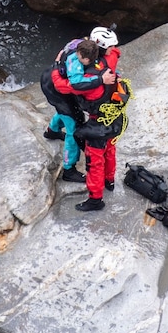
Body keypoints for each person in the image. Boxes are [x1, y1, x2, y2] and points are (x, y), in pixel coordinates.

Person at [51, 26, 122, 211]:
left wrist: (57, 66)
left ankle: (96, 199)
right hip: (114, 116)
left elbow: (64, 86)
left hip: (97, 122)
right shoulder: (111, 59)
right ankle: (110, 181)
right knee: (110, 149)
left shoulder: (90, 78)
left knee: (94, 162)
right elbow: (116, 52)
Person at [41, 39, 102, 183]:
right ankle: (69, 169)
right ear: (84, 58)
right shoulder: (76, 66)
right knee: (73, 127)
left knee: (65, 112)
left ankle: (52, 131)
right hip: (56, 90)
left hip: (47, 77)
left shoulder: (77, 44)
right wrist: (100, 79)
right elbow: (77, 84)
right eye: (89, 61)